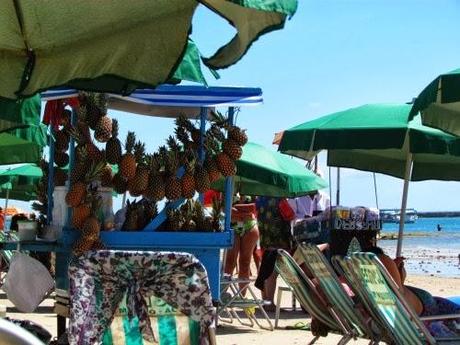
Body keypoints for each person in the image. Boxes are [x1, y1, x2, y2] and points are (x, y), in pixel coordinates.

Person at [367, 246, 460, 337]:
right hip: (435, 315)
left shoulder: (373, 291)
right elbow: (383, 260)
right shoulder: (394, 291)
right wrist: (393, 266)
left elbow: (400, 288)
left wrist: (397, 270)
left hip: (434, 310)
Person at [255, 196, 294, 311]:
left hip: (265, 240)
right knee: (272, 273)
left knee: (264, 270)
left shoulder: (259, 200)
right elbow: (290, 215)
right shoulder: (280, 200)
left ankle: (266, 301)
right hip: (279, 241)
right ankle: (270, 303)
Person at [224, 194, 260, 295]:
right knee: (229, 262)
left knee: (245, 262)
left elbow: (255, 208)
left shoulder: (251, 188)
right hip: (233, 227)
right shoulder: (228, 185)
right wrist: (243, 214)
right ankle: (222, 294)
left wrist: (236, 213)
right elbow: (224, 209)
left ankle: (242, 295)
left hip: (249, 226)